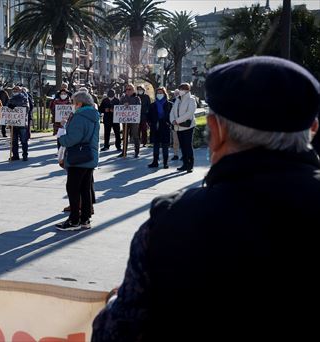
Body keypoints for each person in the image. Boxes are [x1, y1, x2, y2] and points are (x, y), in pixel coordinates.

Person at [92, 56, 320, 342]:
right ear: (312, 129)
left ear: (217, 129)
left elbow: (116, 334)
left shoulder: (170, 223)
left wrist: (114, 302)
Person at [56, 90, 100, 231]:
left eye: (74, 103)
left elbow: (73, 138)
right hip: (89, 155)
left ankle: (74, 220)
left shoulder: (80, 116)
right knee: (85, 189)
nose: (73, 105)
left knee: (73, 188)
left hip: (78, 157)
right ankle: (85, 219)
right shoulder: (93, 115)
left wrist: (61, 138)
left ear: (80, 103)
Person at [170, 83, 197, 172]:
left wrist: (177, 120)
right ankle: (185, 164)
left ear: (187, 90)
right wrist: (173, 120)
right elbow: (172, 111)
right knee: (183, 146)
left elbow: (189, 113)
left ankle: (190, 165)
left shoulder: (191, 100)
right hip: (178, 127)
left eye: (182, 89)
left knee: (188, 145)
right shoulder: (177, 100)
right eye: (180, 89)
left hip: (187, 127)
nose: (180, 91)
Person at [147, 87, 173, 169]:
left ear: (165, 94)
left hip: (165, 127)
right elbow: (148, 116)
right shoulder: (152, 105)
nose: (159, 94)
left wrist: (168, 123)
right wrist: (150, 123)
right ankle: (155, 161)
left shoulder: (169, 104)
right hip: (155, 127)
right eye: (158, 93)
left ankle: (165, 163)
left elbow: (172, 116)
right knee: (156, 145)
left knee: (165, 145)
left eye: (161, 92)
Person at [7, 86, 30, 161]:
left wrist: (16, 107)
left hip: (22, 123)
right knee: (14, 141)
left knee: (23, 140)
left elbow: (26, 108)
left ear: (20, 91)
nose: (15, 91)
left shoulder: (24, 98)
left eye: (16, 90)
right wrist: (9, 107)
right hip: (13, 123)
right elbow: (7, 109)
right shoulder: (11, 99)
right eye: (14, 90)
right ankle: (15, 155)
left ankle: (25, 155)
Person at [118, 83, 141, 158]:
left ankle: (137, 151)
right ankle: (124, 151)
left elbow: (138, 108)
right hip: (125, 120)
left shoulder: (137, 98)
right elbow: (119, 107)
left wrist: (130, 105)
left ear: (133, 90)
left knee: (135, 135)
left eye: (130, 89)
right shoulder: (123, 97)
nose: (128, 91)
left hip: (134, 120)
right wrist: (123, 105)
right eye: (126, 89)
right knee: (125, 135)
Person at [170, 89, 180, 161]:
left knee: (183, 141)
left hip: (183, 124)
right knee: (175, 141)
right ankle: (175, 154)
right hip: (174, 124)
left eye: (178, 93)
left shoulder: (183, 101)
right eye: (175, 94)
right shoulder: (172, 102)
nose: (176, 95)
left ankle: (184, 155)